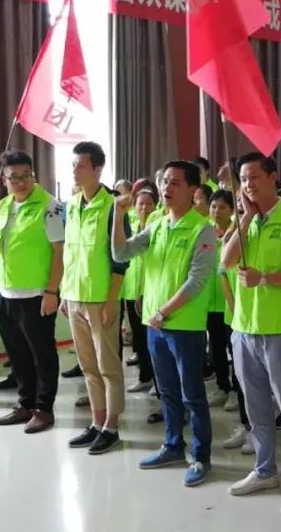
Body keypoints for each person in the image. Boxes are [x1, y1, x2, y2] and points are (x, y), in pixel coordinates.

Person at [221, 152, 281, 516]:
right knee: (256, 408)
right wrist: (246, 218)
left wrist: (265, 278)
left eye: (254, 177)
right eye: (243, 179)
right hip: (244, 329)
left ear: (273, 177)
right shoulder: (246, 221)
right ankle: (265, 471)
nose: (248, 185)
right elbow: (226, 262)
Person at [113, 161, 217, 487]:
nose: (166, 188)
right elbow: (120, 253)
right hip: (155, 326)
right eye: (164, 182)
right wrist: (117, 215)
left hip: (184, 326)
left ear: (192, 190)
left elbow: (197, 281)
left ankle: (201, 457)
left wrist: (163, 311)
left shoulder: (202, 229)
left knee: (192, 395)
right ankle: (173, 446)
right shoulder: (157, 226)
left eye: (174, 183)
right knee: (167, 391)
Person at [0, 151, 64, 434]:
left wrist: (51, 291)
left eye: (25, 176)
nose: (20, 182)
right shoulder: (4, 205)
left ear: (34, 175)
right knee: (17, 354)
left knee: (42, 354)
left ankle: (44, 408)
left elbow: (60, 252)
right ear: (4, 180)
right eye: (14, 177)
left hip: (36, 294)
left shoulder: (50, 206)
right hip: (6, 292)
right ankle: (26, 403)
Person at [62, 142, 131, 454]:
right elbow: (70, 253)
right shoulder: (72, 204)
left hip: (101, 298)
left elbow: (120, 259)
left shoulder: (113, 206)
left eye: (81, 165)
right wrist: (64, 294)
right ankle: (96, 422)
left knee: (108, 366)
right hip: (74, 295)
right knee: (88, 366)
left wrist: (111, 300)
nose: (75, 171)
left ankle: (112, 427)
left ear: (98, 169)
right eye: (73, 165)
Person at [215, 190, 256, 455]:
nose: (242, 215)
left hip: (257, 317)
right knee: (240, 378)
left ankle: (258, 430)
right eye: (240, 211)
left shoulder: (257, 233)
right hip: (235, 317)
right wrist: (233, 307)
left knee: (256, 382)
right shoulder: (231, 236)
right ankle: (246, 426)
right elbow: (223, 273)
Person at [124, 182, 159, 394]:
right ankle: (144, 377)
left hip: (150, 291)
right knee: (138, 338)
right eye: (140, 204)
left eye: (149, 204)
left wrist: (142, 291)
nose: (144, 208)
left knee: (152, 339)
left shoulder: (157, 228)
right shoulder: (130, 225)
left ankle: (157, 380)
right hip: (130, 289)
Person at [205, 190, 236, 410]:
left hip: (230, 301)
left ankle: (236, 391)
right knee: (215, 347)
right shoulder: (205, 232)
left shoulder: (236, 233)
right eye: (214, 206)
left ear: (231, 210)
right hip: (209, 301)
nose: (217, 211)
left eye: (223, 207)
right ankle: (222, 386)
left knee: (233, 348)